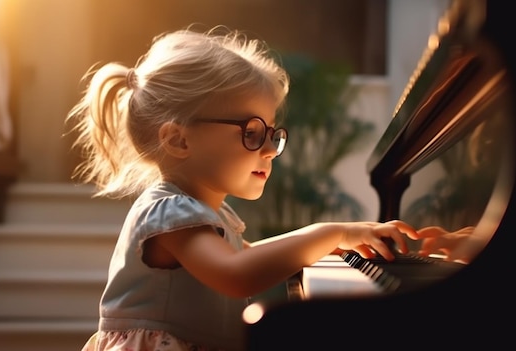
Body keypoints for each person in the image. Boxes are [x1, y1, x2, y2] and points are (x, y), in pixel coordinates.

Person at [66, 25, 423, 351]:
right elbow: (238, 274)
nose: (270, 150)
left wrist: (339, 250)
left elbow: (249, 254)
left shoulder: (205, 214)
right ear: (178, 140)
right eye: (252, 133)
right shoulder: (169, 212)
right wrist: (331, 233)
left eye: (271, 134)